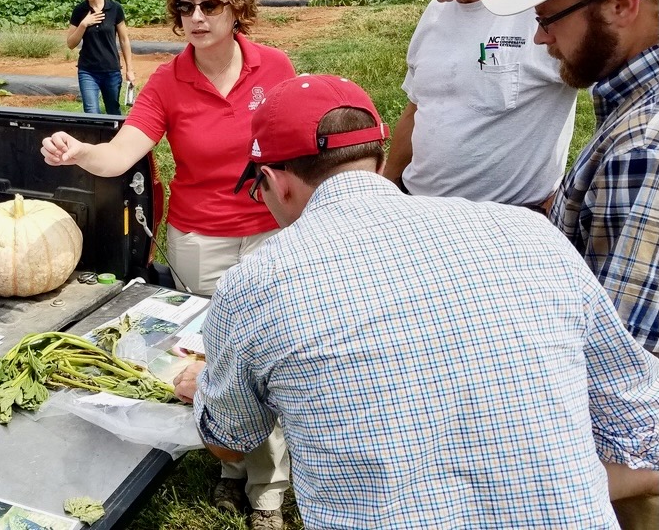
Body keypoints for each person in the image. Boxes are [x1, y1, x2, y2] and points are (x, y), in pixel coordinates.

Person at [174, 73, 659, 530]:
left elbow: (231, 445)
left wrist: (203, 389)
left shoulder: (254, 283)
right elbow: (636, 415)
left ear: (275, 180)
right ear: (380, 163)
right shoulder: (531, 233)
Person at [42, 0, 296, 530]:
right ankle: (230, 466)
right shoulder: (168, 81)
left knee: (268, 362)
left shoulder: (275, 68)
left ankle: (268, 493)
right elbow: (123, 151)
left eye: (210, 4)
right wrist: (83, 154)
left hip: (270, 237)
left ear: (237, 8)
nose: (197, 17)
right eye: (186, 7)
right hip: (197, 239)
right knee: (214, 361)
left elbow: (299, 142)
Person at [482, 0, 659, 358]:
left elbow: (624, 372)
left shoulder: (643, 151)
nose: (540, 37)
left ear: (621, 5)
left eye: (547, 18)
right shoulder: (630, 111)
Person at [374, 0, 577, 210]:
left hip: (506, 224)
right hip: (419, 210)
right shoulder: (437, 11)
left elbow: (615, 103)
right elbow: (417, 108)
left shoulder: (543, 2)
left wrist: (567, 198)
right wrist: (389, 185)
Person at [67, 0, 135, 115]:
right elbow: (70, 44)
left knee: (113, 111)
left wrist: (130, 70)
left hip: (111, 70)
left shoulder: (115, 8)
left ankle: (114, 138)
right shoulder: (80, 11)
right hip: (88, 70)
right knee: (92, 113)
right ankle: (94, 139)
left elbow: (124, 40)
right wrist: (84, 24)